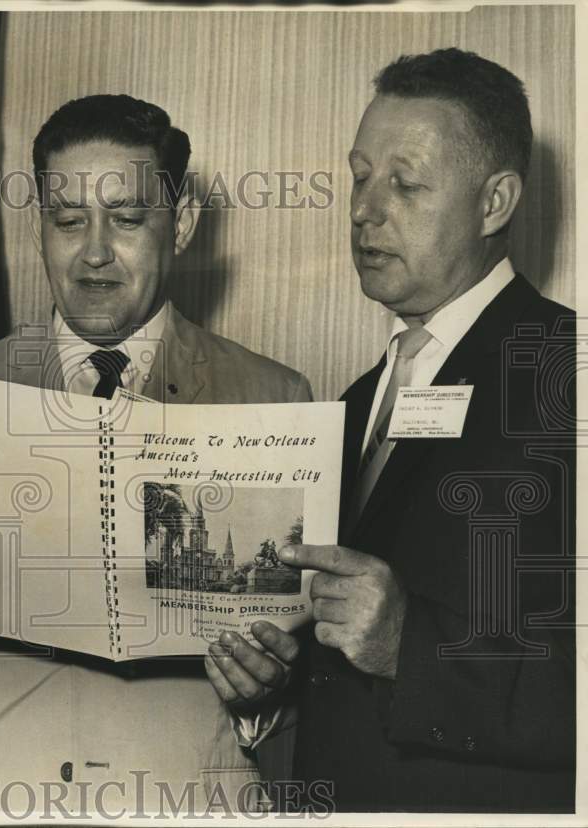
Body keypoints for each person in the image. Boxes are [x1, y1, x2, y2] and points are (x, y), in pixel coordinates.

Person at [0, 94, 311, 815]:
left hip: (181, 798)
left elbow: (293, 658)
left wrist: (265, 685)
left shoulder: (275, 397)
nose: (95, 251)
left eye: (128, 220)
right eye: (68, 220)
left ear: (183, 225)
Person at [214, 48, 576, 812]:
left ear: (495, 203)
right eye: (359, 176)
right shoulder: (350, 405)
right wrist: (276, 674)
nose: (363, 210)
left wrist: (409, 644)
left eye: (406, 184)